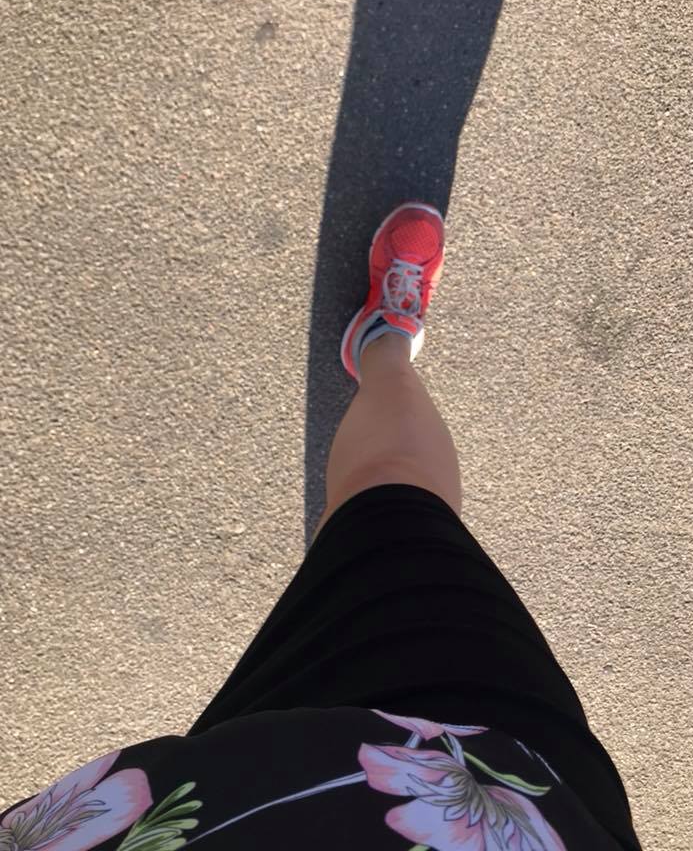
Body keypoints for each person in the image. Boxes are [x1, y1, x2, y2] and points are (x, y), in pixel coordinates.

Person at [1, 203, 642, 851]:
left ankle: (373, 402)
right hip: (515, 805)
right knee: (394, 509)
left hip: (241, 809)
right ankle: (384, 343)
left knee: (375, 531)